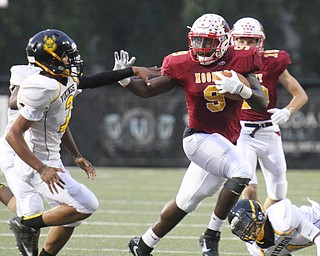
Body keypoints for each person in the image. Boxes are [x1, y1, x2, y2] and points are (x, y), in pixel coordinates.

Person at [113, 13, 267, 256]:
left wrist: (241, 90)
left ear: (225, 41)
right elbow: (149, 90)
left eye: (208, 42)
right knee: (242, 172)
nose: (202, 48)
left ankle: (142, 244)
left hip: (224, 143)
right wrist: (123, 79)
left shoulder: (241, 59)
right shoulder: (182, 63)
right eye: (197, 41)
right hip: (198, 137)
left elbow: (262, 102)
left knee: (186, 202)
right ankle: (211, 236)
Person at [5, 29, 160, 256]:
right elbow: (13, 135)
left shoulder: (61, 81)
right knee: (87, 204)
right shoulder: (41, 87)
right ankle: (27, 224)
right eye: (65, 55)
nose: (71, 59)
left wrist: (131, 71)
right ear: (50, 59)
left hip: (50, 159)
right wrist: (42, 168)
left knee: (70, 218)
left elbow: (84, 89)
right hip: (36, 165)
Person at [230, 17, 308, 209]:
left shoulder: (273, 61)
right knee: (249, 188)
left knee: (279, 194)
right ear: (233, 40)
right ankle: (254, 236)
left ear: (260, 42)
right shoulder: (227, 63)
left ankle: (263, 232)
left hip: (269, 131)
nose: (246, 45)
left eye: (251, 41)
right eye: (241, 40)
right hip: (242, 133)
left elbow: (300, 95)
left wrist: (287, 112)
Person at [228, 198, 320, 255]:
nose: (246, 230)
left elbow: (318, 237)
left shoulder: (281, 218)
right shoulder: (256, 249)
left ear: (258, 214)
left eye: (245, 222)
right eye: (240, 228)